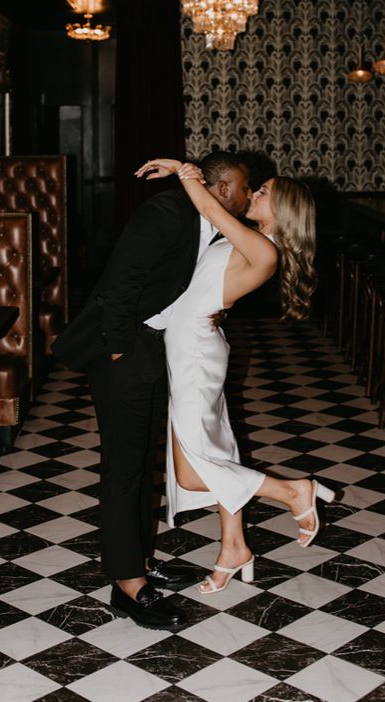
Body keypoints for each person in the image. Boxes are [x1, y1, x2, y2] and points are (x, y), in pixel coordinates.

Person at [51, 151, 251, 630]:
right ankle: (126, 584)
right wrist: (121, 349)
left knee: (143, 464)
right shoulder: (166, 213)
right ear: (223, 189)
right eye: (246, 187)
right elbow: (121, 283)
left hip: (160, 347)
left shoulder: (210, 222)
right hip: (126, 348)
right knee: (124, 466)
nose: (248, 195)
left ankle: (139, 560)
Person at [135, 157, 340, 594]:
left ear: (283, 211)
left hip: (193, 352)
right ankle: (233, 547)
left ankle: (293, 492)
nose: (254, 194)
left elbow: (211, 210)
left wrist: (184, 171)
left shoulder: (264, 249)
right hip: (194, 347)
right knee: (216, 451)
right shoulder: (253, 240)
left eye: (264, 192)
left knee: (193, 474)